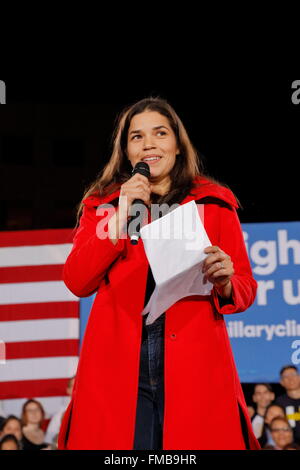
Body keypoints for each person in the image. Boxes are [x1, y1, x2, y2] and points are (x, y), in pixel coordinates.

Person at [57, 96, 261, 450]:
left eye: (160, 133)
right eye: (136, 137)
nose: (148, 143)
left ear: (178, 146)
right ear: (126, 150)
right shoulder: (103, 204)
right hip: (120, 367)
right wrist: (120, 214)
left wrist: (226, 280)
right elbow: (77, 280)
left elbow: (245, 287)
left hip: (193, 366)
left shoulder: (214, 203)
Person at [45, 376, 75, 446]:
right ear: (68, 390)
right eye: (73, 386)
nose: (76, 389)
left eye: (79, 386)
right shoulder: (59, 416)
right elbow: (50, 441)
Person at [275, 365, 300, 444]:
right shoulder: (279, 402)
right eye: (286, 376)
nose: (290, 378)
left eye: (293, 374)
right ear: (281, 382)